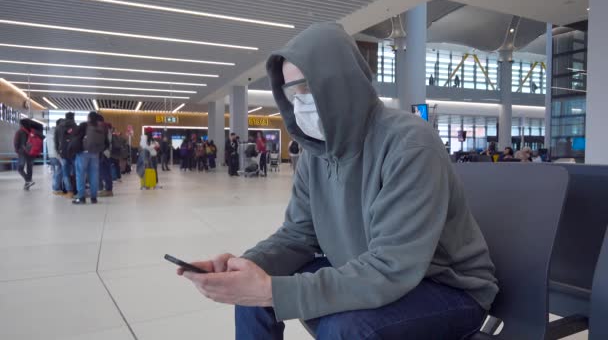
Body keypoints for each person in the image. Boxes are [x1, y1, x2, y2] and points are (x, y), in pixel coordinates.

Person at [178, 23, 497, 339]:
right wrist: (244, 266)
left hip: (445, 287)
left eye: (307, 88)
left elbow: (393, 266)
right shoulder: (315, 153)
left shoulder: (408, 143)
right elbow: (297, 236)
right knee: (251, 296)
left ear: (341, 83)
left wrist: (272, 291)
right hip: (367, 270)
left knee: (345, 329)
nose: (299, 103)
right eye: (292, 93)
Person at [73, 111, 108, 205]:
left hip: (83, 153)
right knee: (94, 175)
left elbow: (75, 135)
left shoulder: (84, 125)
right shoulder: (101, 128)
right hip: (95, 154)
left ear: (89, 118)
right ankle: (93, 198)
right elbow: (105, 142)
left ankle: (81, 197)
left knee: (80, 175)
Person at [14, 118, 43, 190]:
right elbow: (42, 137)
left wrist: (17, 150)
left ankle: (28, 180)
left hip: (22, 152)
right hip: (32, 152)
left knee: (20, 168)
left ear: (21, 124)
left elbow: (16, 142)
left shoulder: (20, 131)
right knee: (29, 168)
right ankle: (27, 185)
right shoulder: (33, 131)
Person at [56, 112, 78, 198]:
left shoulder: (59, 127)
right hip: (74, 152)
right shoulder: (76, 127)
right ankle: (76, 190)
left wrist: (59, 150)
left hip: (63, 153)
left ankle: (69, 191)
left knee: (65, 173)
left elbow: (56, 141)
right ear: (73, 117)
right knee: (76, 172)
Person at [47, 119, 64, 195]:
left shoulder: (50, 131)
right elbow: (58, 145)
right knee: (58, 172)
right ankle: (56, 188)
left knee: (56, 172)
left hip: (51, 155)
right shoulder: (56, 132)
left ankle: (57, 187)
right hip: (56, 155)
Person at [98, 121, 114, 197]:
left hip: (103, 153)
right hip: (107, 153)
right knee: (107, 171)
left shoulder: (104, 133)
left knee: (104, 171)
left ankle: (108, 189)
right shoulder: (109, 132)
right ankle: (108, 189)